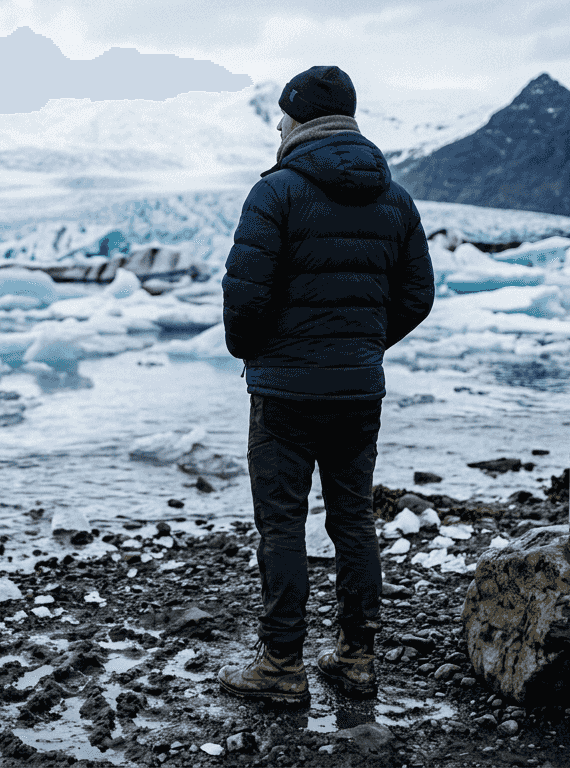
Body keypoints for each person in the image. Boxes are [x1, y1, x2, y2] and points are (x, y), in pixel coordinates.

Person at [216, 65, 435, 704]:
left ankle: (281, 667)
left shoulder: (276, 192)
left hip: (283, 394)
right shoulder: (395, 198)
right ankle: (357, 659)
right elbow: (417, 295)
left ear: (299, 119)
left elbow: (244, 299)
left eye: (282, 116)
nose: (278, 126)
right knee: (354, 521)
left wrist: (259, 352)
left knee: (282, 526)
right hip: (358, 392)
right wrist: (362, 346)